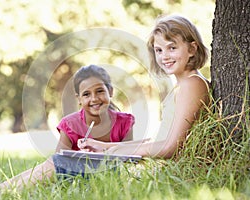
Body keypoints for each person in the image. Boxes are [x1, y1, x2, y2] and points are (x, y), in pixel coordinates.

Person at [0, 64, 135, 197]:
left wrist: (99, 149)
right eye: (86, 94)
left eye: (100, 91)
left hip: (106, 175)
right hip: (74, 178)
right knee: (46, 166)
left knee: (50, 165)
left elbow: (127, 157)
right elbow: (59, 160)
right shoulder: (70, 124)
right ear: (78, 99)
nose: (94, 99)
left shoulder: (125, 121)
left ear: (110, 92)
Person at [78, 14, 211, 158]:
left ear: (192, 49)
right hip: (165, 166)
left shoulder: (192, 84)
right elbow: (160, 140)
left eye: (172, 48)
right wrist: (105, 147)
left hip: (175, 171)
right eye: (159, 50)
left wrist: (114, 152)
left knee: (59, 165)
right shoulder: (182, 85)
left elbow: (172, 147)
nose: (164, 56)